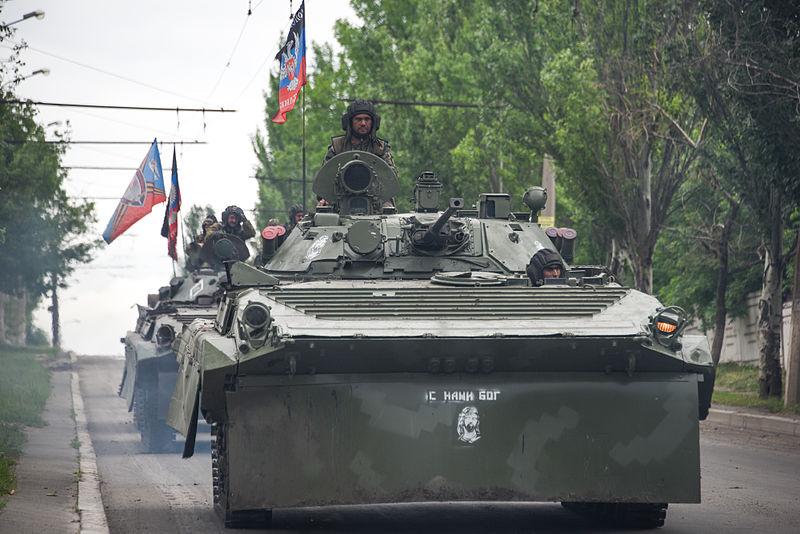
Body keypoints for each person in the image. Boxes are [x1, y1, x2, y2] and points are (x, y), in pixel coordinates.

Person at [323, 99, 398, 175]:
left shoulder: (380, 148)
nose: (363, 123)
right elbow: (325, 177)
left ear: (373, 122)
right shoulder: (337, 147)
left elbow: (391, 178)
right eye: (358, 119)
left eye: (367, 119)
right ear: (350, 122)